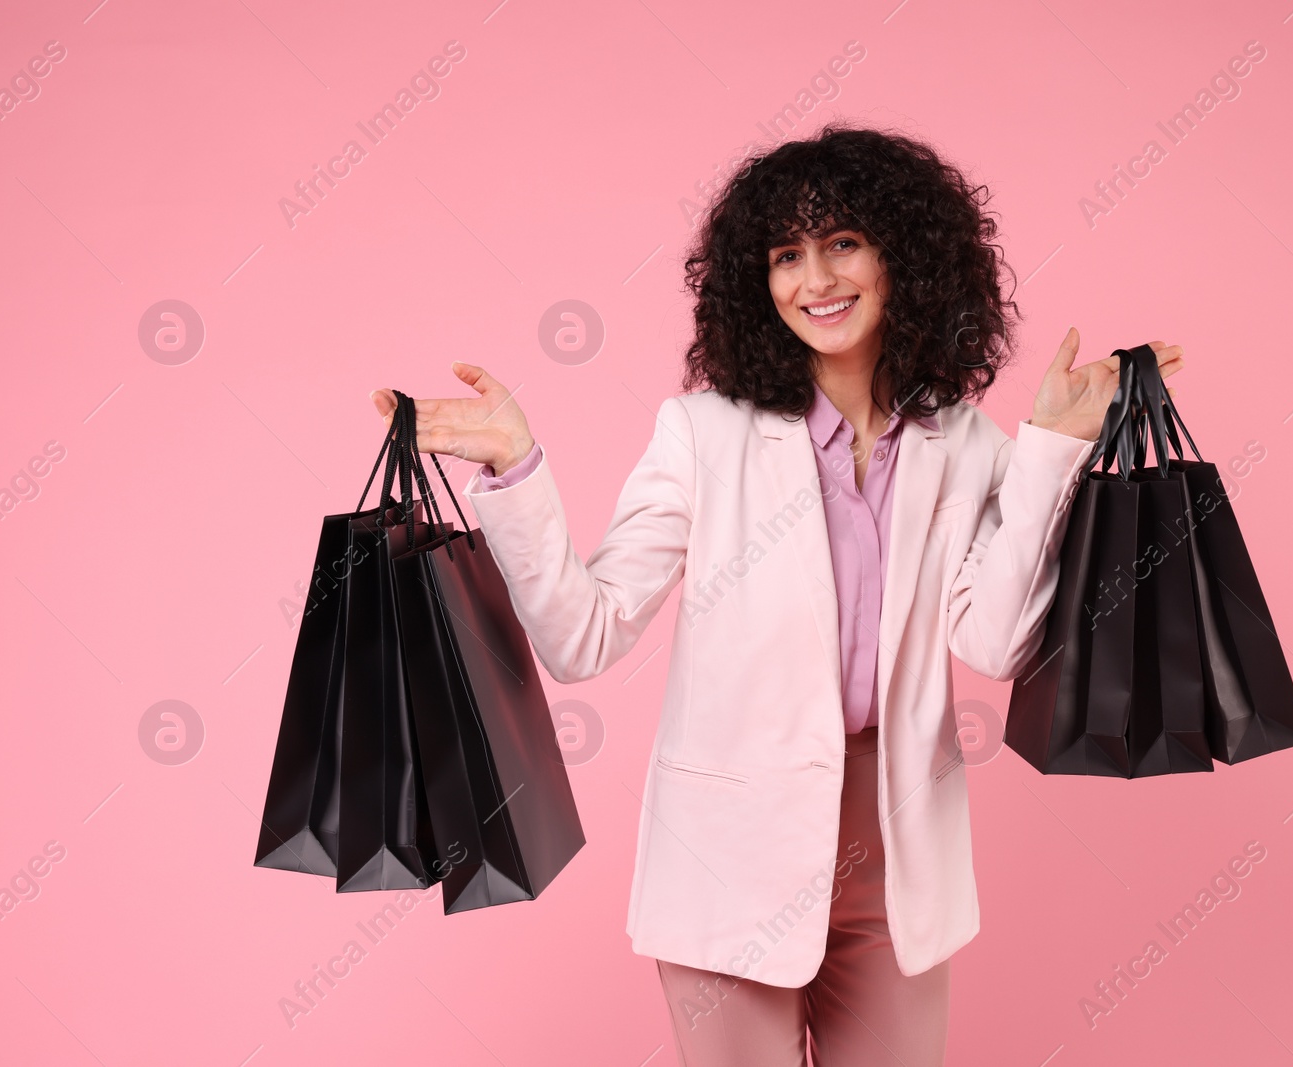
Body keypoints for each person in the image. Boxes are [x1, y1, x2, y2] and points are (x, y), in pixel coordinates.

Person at [371, 123, 1183, 1067]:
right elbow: (581, 639)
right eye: (786, 255)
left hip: (896, 855)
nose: (815, 280)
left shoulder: (963, 443)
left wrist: (1048, 447)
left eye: (842, 243)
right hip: (728, 859)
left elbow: (998, 644)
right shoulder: (702, 434)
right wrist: (517, 467)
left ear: (905, 257)